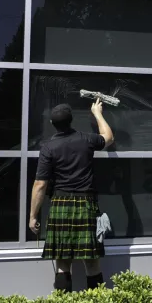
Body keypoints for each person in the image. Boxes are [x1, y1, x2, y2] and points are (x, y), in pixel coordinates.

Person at [29, 99, 114, 292]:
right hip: (86, 204)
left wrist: (33, 216)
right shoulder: (85, 139)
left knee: (62, 264)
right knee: (92, 263)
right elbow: (108, 138)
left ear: (53, 124)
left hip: (60, 204)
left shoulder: (48, 148)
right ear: (71, 120)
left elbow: (40, 184)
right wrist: (97, 113)